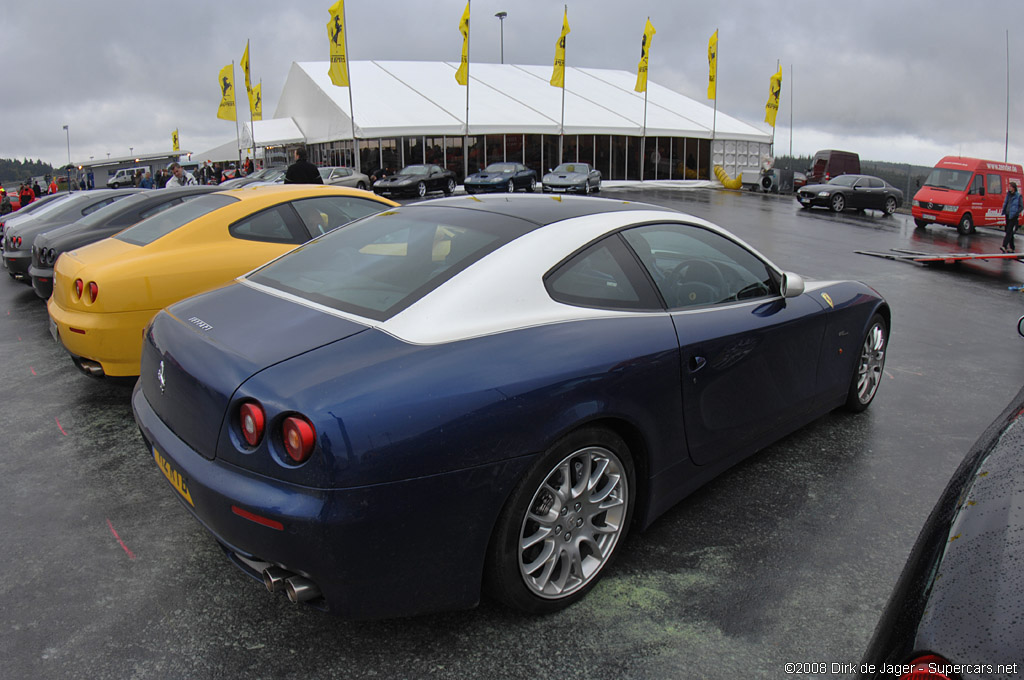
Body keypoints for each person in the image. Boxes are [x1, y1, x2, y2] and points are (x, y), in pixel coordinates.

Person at [1002, 181, 1021, 253]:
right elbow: (1006, 203)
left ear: (1013, 188)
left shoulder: (1018, 196)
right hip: (1007, 214)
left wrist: (1016, 213)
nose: (1009, 188)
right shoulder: (1008, 195)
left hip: (1013, 216)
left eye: (1010, 186)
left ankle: (1004, 245)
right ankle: (1012, 247)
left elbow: (1021, 206)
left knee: (1009, 230)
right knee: (1008, 231)